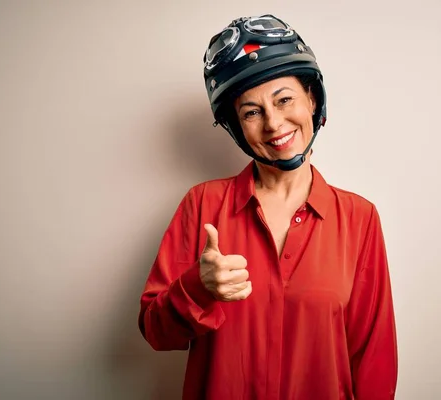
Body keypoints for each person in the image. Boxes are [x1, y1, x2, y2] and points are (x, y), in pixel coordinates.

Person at [139, 14, 398, 399]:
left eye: (285, 99)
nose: (274, 124)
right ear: (236, 127)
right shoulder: (201, 205)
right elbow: (156, 333)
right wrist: (197, 287)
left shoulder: (360, 219)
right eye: (252, 112)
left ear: (312, 98)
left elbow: (374, 360)